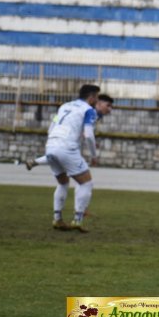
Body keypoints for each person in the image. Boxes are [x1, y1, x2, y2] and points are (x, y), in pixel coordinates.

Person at [43, 84, 100, 232]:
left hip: (51, 145)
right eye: (97, 97)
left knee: (63, 183)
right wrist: (94, 155)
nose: (97, 100)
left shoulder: (64, 106)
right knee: (86, 183)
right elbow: (88, 135)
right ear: (92, 97)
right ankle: (77, 220)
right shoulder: (89, 110)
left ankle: (57, 219)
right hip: (67, 148)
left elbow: (51, 127)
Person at [26, 94, 113, 171]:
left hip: (58, 136)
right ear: (99, 103)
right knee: (83, 178)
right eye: (108, 105)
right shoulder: (90, 111)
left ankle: (36, 161)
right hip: (68, 138)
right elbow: (87, 133)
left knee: (59, 159)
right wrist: (93, 151)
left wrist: (52, 128)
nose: (110, 109)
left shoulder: (71, 107)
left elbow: (57, 117)